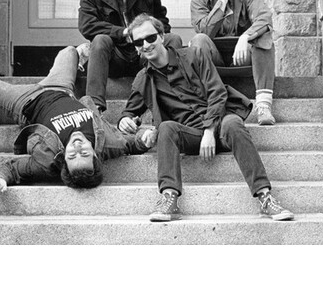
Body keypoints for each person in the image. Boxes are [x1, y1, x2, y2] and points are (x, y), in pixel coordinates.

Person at [0, 31, 157, 196]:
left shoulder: (46, 161)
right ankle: (78, 58)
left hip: (25, 101)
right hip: (61, 88)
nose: (77, 148)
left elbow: (13, 168)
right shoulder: (108, 143)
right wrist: (144, 140)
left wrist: (0, 178)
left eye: (72, 156)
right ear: (96, 156)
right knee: (69, 52)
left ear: (64, 160)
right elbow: (130, 145)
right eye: (84, 153)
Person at [118, 14, 294, 222]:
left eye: (150, 38)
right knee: (166, 127)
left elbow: (217, 93)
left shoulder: (194, 55)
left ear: (162, 37)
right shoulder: (144, 79)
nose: (146, 45)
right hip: (190, 135)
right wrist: (125, 120)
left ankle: (265, 197)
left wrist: (210, 131)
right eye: (139, 42)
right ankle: (169, 197)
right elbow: (129, 112)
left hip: (219, 126)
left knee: (233, 123)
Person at [78, 0, 182, 112]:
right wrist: (124, 32)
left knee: (173, 39)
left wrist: (149, 37)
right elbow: (87, 25)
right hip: (117, 58)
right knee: (100, 40)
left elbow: (161, 19)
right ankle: (95, 107)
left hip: (147, 53)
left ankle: (175, 97)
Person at [190, 0, 276, 126]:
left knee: (264, 35)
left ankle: (263, 105)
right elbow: (204, 30)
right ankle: (206, 103)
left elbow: (264, 17)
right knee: (198, 41)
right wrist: (222, 3)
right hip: (215, 56)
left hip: (241, 55)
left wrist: (246, 37)